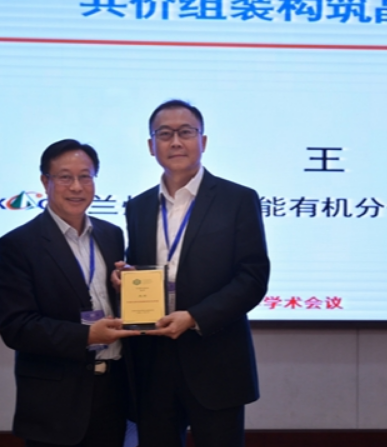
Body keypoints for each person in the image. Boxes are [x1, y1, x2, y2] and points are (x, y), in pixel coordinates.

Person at [114, 100, 270, 447]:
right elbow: (140, 268)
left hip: (216, 360)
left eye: (185, 132)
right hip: (153, 364)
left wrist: (195, 317)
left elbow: (253, 278)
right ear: (151, 145)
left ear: (203, 141)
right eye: (164, 134)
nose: (175, 142)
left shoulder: (237, 199)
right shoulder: (138, 206)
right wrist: (123, 278)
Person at [0, 139, 139, 447]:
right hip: (56, 401)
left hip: (113, 391)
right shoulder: (18, 245)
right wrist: (87, 335)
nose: (76, 187)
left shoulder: (111, 234)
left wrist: (124, 289)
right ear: (45, 181)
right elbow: (16, 327)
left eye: (85, 176)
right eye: (65, 177)